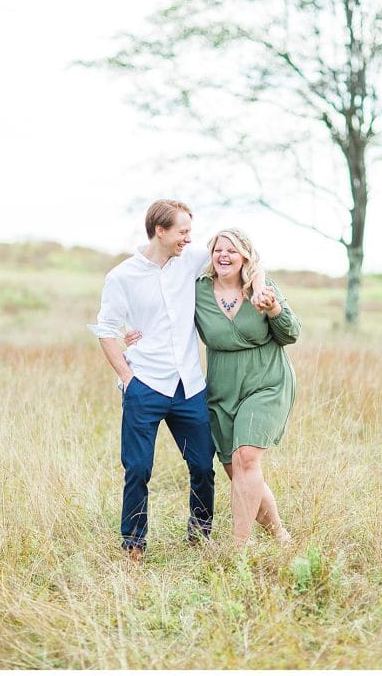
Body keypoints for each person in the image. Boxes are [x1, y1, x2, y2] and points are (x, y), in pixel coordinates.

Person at [89, 200, 218, 559]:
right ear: (159, 231)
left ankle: (200, 534)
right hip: (145, 385)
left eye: (190, 231)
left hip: (189, 385)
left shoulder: (191, 259)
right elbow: (106, 330)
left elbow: (230, 253)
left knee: (203, 466)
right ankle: (134, 544)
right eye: (182, 231)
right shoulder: (121, 277)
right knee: (138, 469)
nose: (188, 239)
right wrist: (127, 378)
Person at [193, 228, 300, 545]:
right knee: (236, 469)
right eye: (218, 250)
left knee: (246, 459)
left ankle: (239, 547)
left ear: (245, 256)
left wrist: (273, 309)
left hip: (266, 382)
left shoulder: (263, 288)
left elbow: (291, 334)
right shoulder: (198, 290)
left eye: (232, 250)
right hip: (223, 389)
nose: (224, 256)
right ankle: (279, 534)